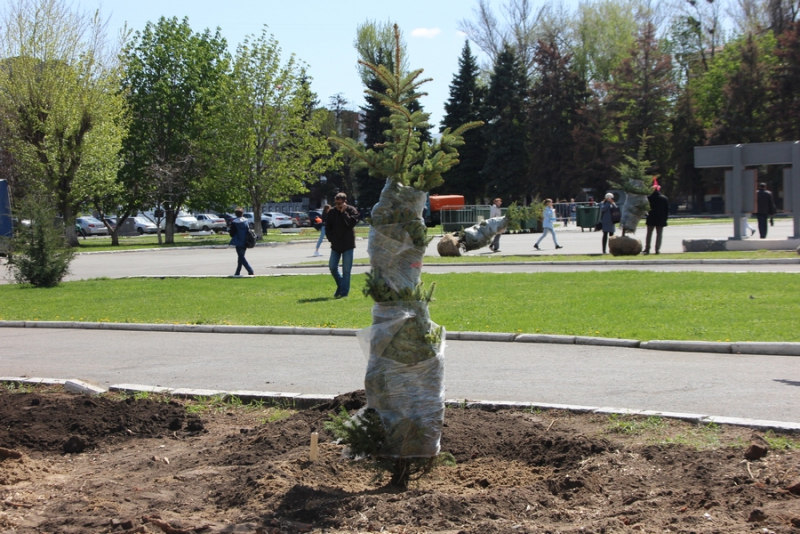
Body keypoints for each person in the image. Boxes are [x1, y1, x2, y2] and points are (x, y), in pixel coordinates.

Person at [326, 192, 359, 298]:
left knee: (346, 270)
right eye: (336, 203)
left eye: (340, 204)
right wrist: (331, 239)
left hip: (348, 244)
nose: (338, 206)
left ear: (345, 202)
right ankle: (341, 285)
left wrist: (344, 213)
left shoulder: (351, 210)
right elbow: (328, 227)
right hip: (336, 245)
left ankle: (344, 293)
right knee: (332, 267)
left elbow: (351, 224)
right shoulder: (331, 212)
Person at [229, 207, 254, 276]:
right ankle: (237, 273)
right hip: (246, 241)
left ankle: (250, 270)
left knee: (241, 257)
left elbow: (232, 234)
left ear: (236, 214)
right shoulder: (246, 221)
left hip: (238, 241)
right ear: (242, 213)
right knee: (240, 257)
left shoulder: (234, 222)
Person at [643, 187, 669, 255]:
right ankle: (657, 249)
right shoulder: (664, 198)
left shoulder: (648, 198)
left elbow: (645, 208)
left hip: (651, 217)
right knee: (659, 234)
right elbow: (666, 210)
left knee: (649, 234)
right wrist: (665, 219)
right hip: (660, 218)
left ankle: (647, 249)